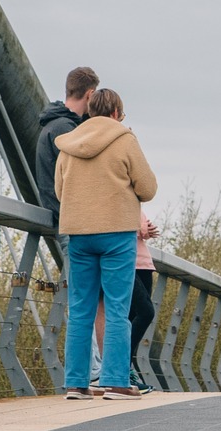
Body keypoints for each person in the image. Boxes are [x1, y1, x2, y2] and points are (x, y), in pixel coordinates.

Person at [55, 89, 158, 401]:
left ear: (89, 112)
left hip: (79, 234)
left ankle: (76, 384)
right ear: (116, 113)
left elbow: (60, 190)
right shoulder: (124, 140)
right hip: (116, 233)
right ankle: (114, 382)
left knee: (82, 309)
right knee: (117, 307)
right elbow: (148, 187)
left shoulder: (69, 143)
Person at [34, 66, 100, 223]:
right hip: (69, 218)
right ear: (90, 94)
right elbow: (81, 172)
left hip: (62, 214)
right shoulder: (64, 128)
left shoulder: (54, 124)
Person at [127, 211, 162, 391]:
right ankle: (122, 367)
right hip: (125, 261)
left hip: (144, 263)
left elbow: (142, 226)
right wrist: (140, 228)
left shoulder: (135, 197)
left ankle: (127, 371)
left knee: (132, 317)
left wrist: (144, 228)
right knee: (145, 312)